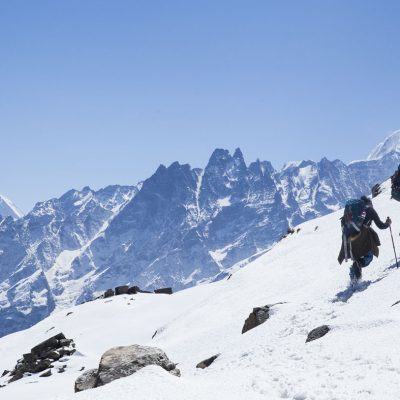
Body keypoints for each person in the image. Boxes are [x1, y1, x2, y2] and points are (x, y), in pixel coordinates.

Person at [338, 195, 392, 282]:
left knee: (357, 257)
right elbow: (380, 225)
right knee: (368, 256)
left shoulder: (354, 212)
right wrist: (388, 223)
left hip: (350, 238)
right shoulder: (370, 210)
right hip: (363, 237)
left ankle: (354, 279)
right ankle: (357, 269)